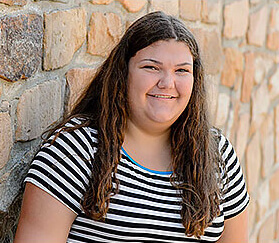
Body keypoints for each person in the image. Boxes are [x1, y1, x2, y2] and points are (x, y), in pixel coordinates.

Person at [14, 11, 249, 242]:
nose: (167, 83)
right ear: (123, 73)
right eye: (151, 67)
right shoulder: (75, 148)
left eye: (182, 70)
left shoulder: (218, 154)